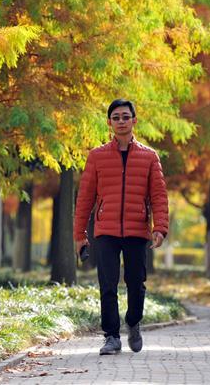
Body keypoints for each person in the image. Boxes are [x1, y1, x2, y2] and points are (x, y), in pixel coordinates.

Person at [73, 98, 169, 355]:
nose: (121, 121)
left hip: (138, 230)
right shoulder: (97, 156)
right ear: (109, 123)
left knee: (136, 282)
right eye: (116, 117)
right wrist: (79, 234)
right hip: (105, 230)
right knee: (107, 284)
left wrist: (159, 227)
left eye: (126, 117)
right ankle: (112, 336)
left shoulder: (149, 157)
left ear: (134, 121)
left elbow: (159, 195)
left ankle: (134, 322)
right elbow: (85, 198)